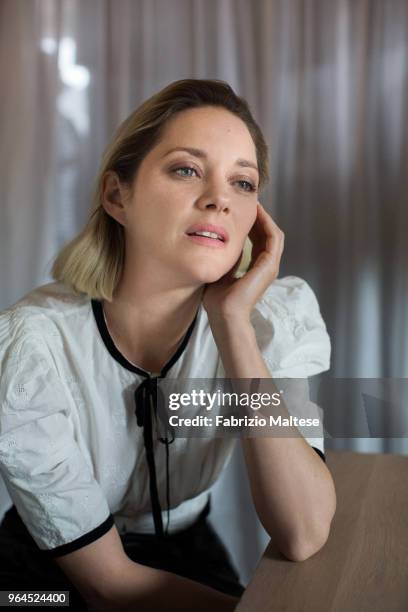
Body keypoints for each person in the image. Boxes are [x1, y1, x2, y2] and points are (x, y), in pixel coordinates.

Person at [0, 79, 336, 611]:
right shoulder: (29, 346)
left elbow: (302, 531)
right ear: (117, 196)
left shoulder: (274, 322)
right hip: (39, 582)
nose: (218, 200)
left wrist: (232, 324)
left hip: (190, 556)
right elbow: (106, 586)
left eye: (243, 183)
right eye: (186, 169)